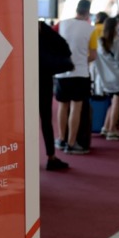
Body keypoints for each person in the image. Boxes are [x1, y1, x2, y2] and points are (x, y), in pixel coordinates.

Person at [55, 0, 96, 154]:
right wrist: (80, 60)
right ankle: (72, 144)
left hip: (62, 73)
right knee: (76, 108)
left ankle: (61, 139)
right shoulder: (91, 30)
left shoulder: (62, 24)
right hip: (80, 73)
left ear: (76, 9)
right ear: (88, 12)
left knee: (62, 105)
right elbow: (93, 55)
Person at [38, 21, 71, 170]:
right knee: (45, 119)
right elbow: (63, 46)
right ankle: (51, 156)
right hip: (43, 78)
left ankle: (22, 157)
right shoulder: (41, 27)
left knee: (22, 122)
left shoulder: (16, 27)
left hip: (21, 80)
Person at [93, 17, 119, 140]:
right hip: (118, 77)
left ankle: (105, 127)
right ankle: (111, 130)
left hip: (105, 78)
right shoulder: (118, 43)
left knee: (112, 102)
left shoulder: (99, 42)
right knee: (117, 102)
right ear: (116, 28)